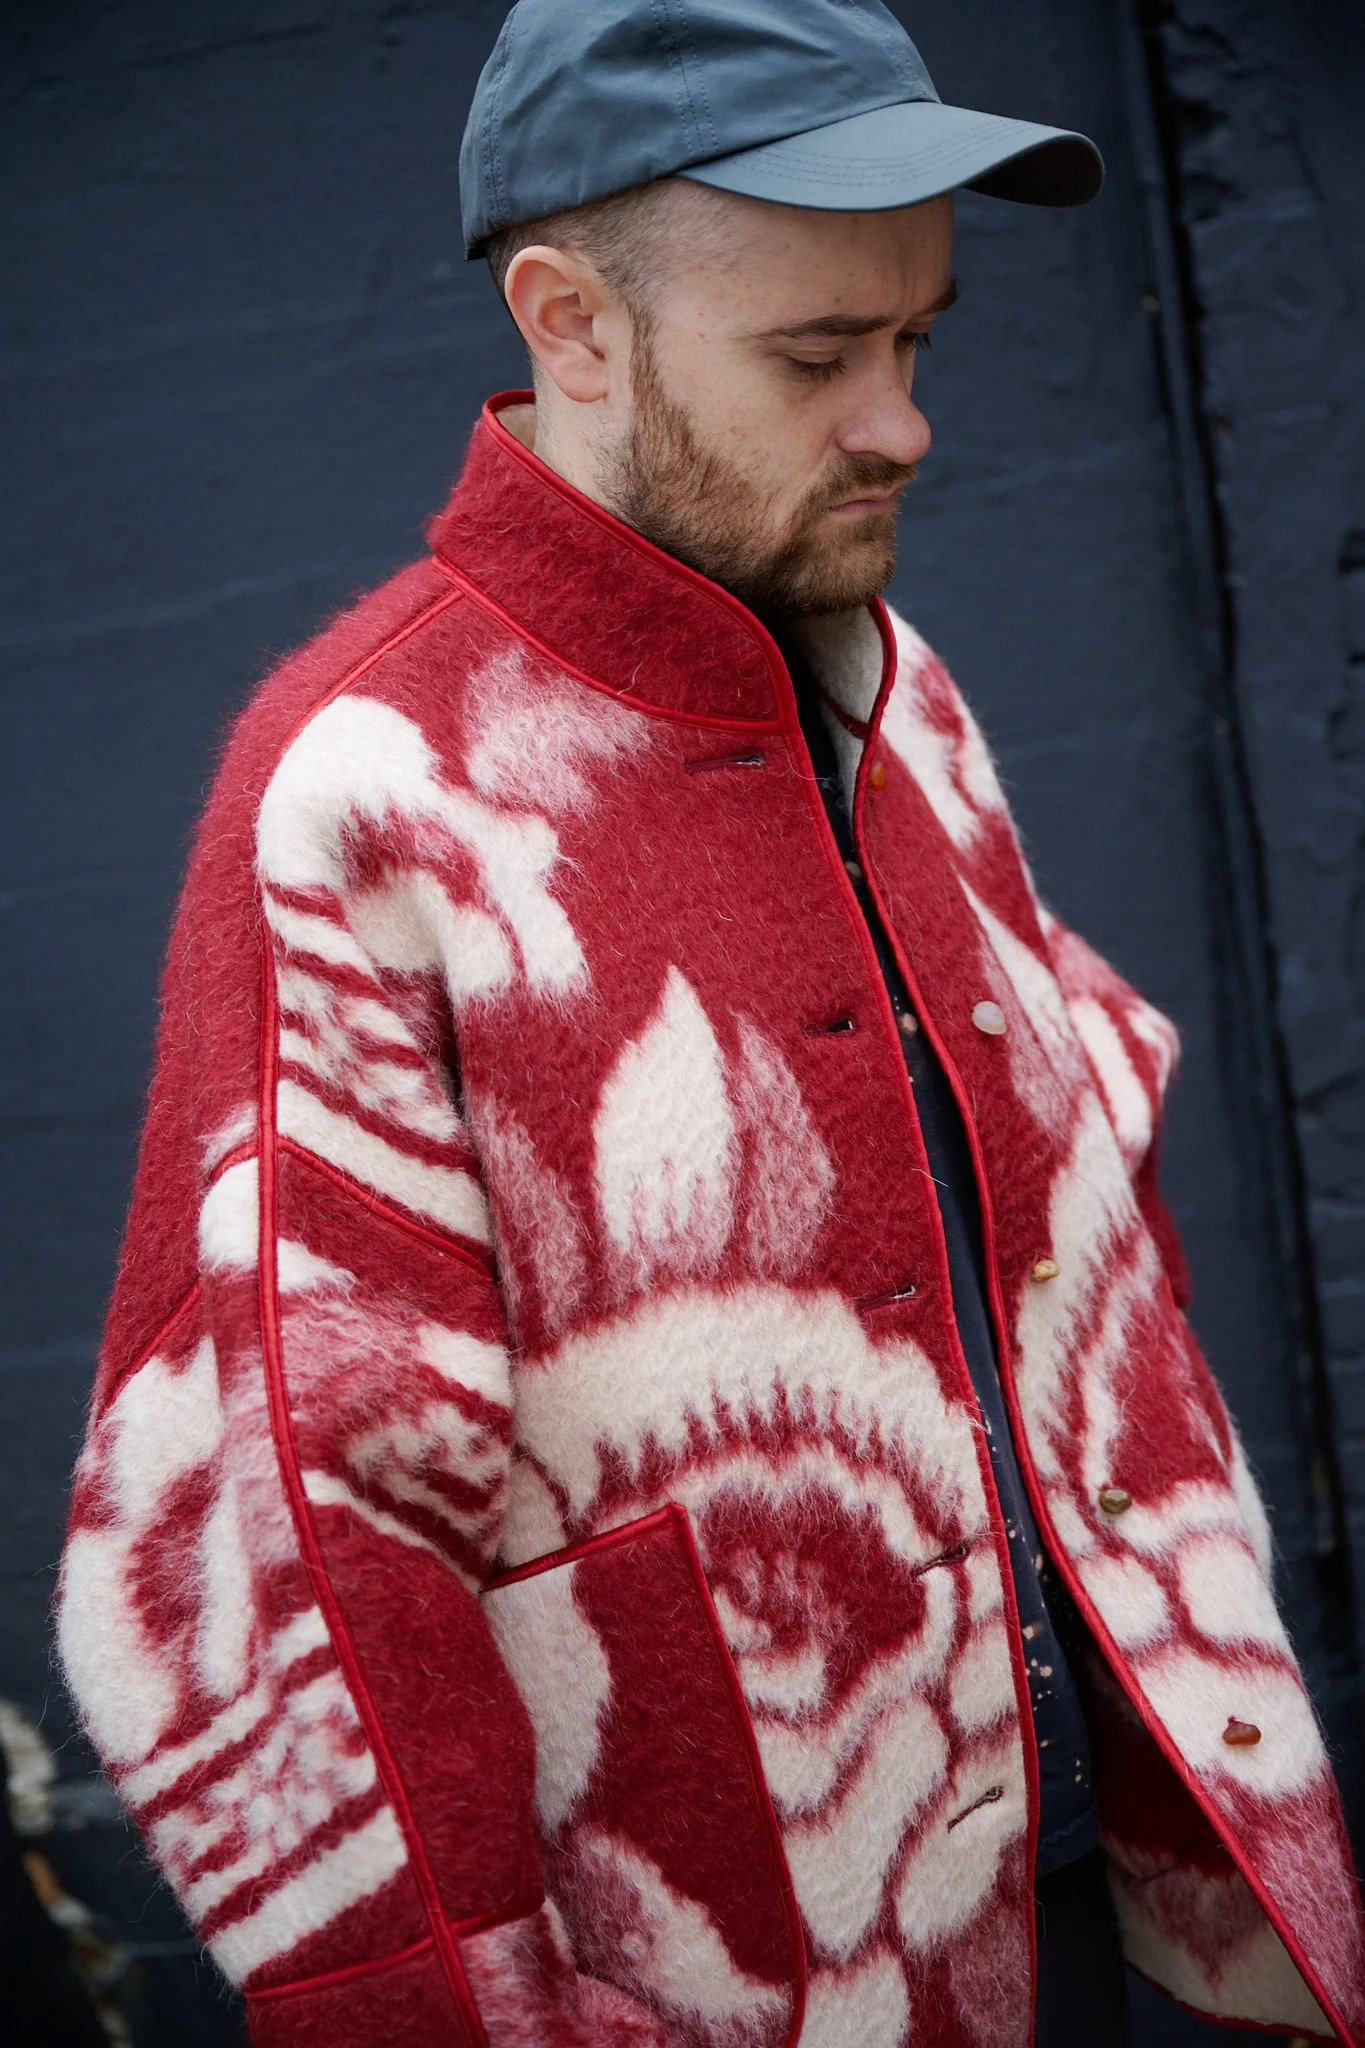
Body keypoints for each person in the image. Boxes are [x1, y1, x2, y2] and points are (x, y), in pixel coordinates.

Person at [57, 3, 1363, 2044]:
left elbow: (1068, 1200)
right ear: (572, 325)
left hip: (1065, 1889)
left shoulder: (895, 689)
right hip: (729, 1985)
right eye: (816, 357)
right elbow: (298, 1526)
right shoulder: (367, 794)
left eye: (915, 340)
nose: (900, 424)